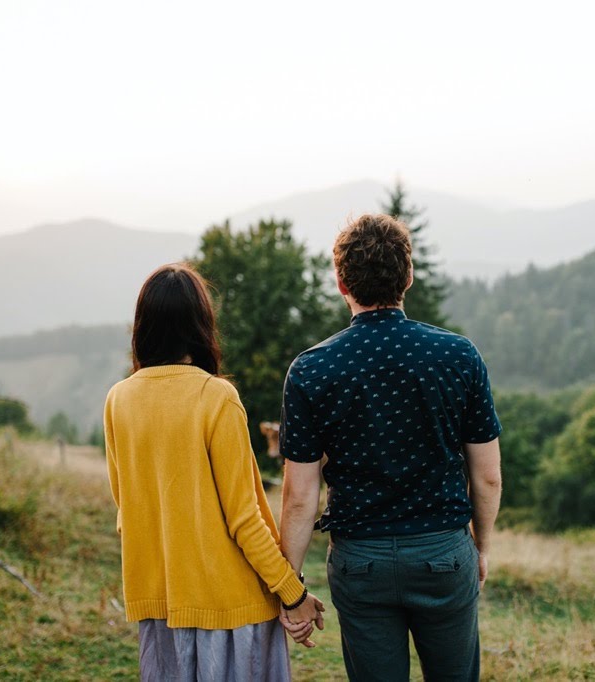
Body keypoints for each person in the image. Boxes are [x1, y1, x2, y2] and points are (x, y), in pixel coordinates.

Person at [278, 215, 503, 681]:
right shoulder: (459, 356)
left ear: (342, 282)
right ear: (409, 276)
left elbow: (300, 497)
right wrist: (481, 546)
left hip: (362, 562)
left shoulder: (311, 370)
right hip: (443, 553)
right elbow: (487, 475)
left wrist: (291, 587)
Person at [104, 263, 323, 682]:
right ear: (201, 323)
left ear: (143, 325)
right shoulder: (215, 397)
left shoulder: (119, 400)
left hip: (162, 610)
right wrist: (292, 593)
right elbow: (244, 519)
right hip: (230, 612)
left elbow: (125, 513)